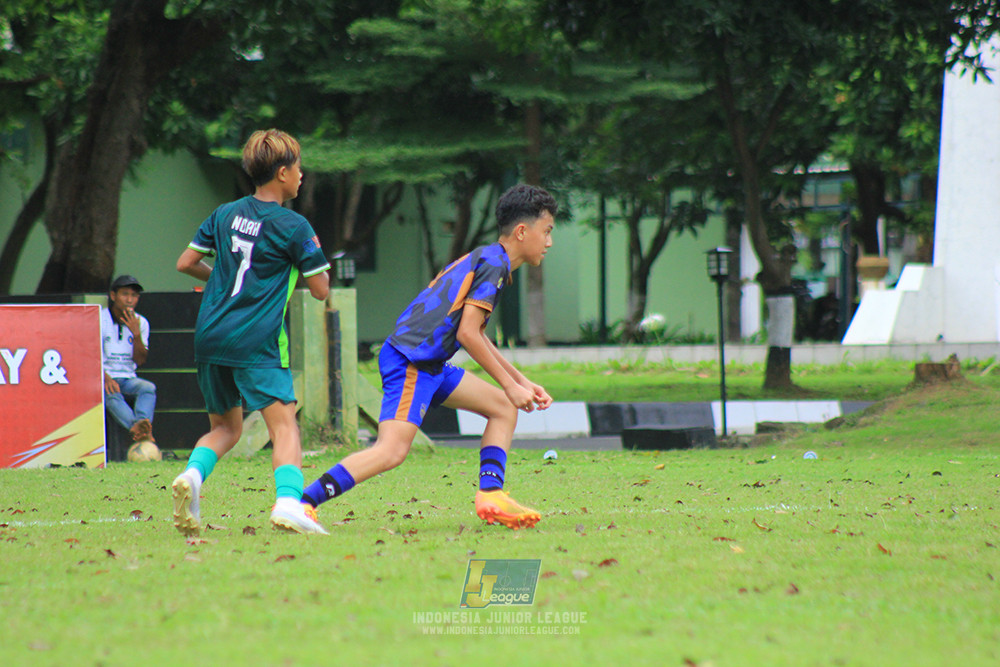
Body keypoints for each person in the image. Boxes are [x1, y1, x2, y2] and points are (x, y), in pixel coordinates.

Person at [302, 183, 557, 531]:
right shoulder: (494, 266)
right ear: (522, 231)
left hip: (431, 364)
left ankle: (492, 496)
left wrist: (521, 383)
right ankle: (306, 501)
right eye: (547, 231)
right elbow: (468, 334)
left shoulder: (490, 259)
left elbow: (476, 332)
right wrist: (510, 386)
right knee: (391, 451)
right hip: (410, 362)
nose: (549, 242)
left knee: (502, 408)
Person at [170, 129, 331, 537]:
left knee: (226, 427)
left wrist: (218, 282)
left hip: (210, 336)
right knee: (285, 427)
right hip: (255, 340)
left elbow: (186, 262)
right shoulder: (294, 226)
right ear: (281, 172)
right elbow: (321, 289)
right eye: (298, 169)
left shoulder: (224, 214)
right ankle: (289, 504)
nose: (301, 176)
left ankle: (192, 476)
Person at [101, 274, 157, 442]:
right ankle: (140, 430)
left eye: (134, 295)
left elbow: (140, 360)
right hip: (104, 377)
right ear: (113, 296)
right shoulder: (99, 318)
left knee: (148, 388)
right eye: (125, 294)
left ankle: (141, 424)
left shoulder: (142, 322)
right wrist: (105, 378)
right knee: (111, 392)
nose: (129, 300)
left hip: (127, 378)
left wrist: (136, 334)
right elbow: (89, 355)